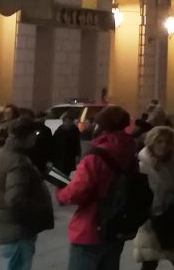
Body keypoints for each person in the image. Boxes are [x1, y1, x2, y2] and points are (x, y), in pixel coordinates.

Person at [56, 105, 138, 270]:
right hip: (116, 227)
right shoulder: (130, 152)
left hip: (91, 227)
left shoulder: (95, 156)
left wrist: (61, 192)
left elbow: (77, 192)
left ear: (100, 126)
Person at [0, 115, 54, 270]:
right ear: (26, 136)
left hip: (7, 228)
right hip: (18, 231)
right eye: (34, 134)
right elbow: (15, 200)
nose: (36, 138)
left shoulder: (3, 153)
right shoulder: (18, 162)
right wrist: (40, 209)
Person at [134, 126, 174, 270]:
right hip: (152, 222)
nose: (164, 145)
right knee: (150, 262)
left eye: (167, 142)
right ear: (151, 143)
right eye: (159, 141)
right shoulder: (142, 166)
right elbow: (138, 196)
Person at [50, 111, 82, 177]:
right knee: (59, 172)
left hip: (69, 156)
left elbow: (77, 144)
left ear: (72, 122)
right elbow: (54, 143)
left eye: (69, 121)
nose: (67, 123)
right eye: (66, 121)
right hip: (59, 155)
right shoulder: (60, 130)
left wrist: (77, 155)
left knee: (66, 172)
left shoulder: (75, 130)